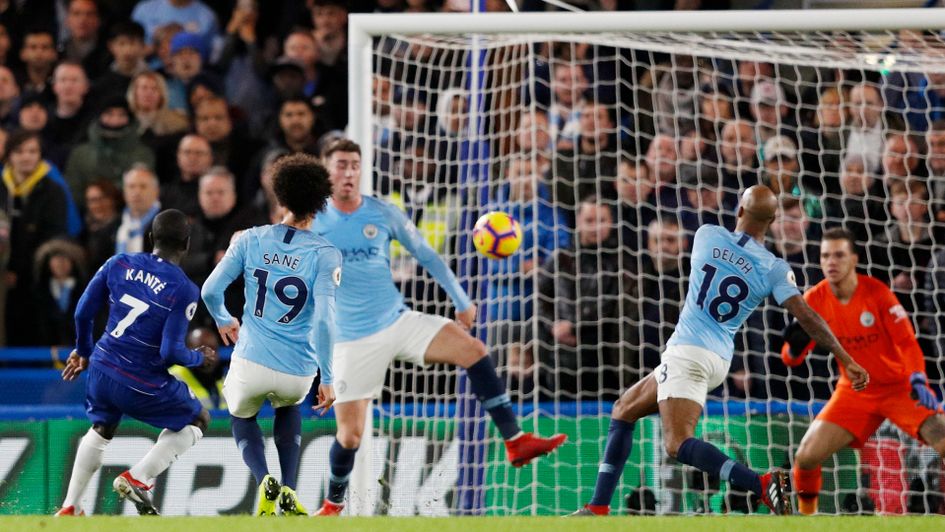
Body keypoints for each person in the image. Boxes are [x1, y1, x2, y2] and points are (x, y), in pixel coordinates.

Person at [572, 185, 869, 516]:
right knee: (623, 408)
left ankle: (761, 484)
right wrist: (846, 358)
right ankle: (597, 507)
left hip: (688, 351)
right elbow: (809, 318)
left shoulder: (706, 235)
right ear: (771, 221)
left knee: (676, 443)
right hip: (720, 356)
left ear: (739, 212)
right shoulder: (774, 268)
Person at [311, 138, 566, 516]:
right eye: (340, 165)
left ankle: (515, 440)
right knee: (350, 436)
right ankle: (332, 506)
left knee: (474, 350)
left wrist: (462, 301)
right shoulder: (313, 220)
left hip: (398, 320)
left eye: (354, 165)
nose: (348, 173)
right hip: (351, 338)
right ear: (325, 169)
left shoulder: (382, 213)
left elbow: (426, 254)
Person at [201, 153, 340, 516]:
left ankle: (264, 478)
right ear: (321, 203)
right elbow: (325, 320)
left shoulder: (249, 239)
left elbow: (210, 290)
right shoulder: (326, 255)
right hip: (299, 370)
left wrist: (223, 318)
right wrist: (327, 377)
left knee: (242, 415)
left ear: (279, 196)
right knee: (288, 405)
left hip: (250, 362)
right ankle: (290, 488)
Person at [55, 209, 217, 516]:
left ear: (151, 238)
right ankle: (139, 477)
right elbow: (171, 352)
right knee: (199, 419)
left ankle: (70, 506)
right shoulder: (184, 289)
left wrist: (83, 351)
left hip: (101, 368)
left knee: (102, 426)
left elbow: (82, 313)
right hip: (140, 380)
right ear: (187, 245)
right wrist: (199, 358)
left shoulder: (119, 262)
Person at [783, 228, 945, 515]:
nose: (831, 262)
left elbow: (907, 343)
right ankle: (805, 519)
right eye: (825, 256)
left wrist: (918, 378)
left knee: (942, 440)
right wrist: (793, 349)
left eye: (839, 255)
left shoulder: (878, 294)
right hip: (854, 392)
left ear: (854, 259)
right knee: (806, 457)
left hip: (898, 388)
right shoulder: (814, 300)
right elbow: (791, 359)